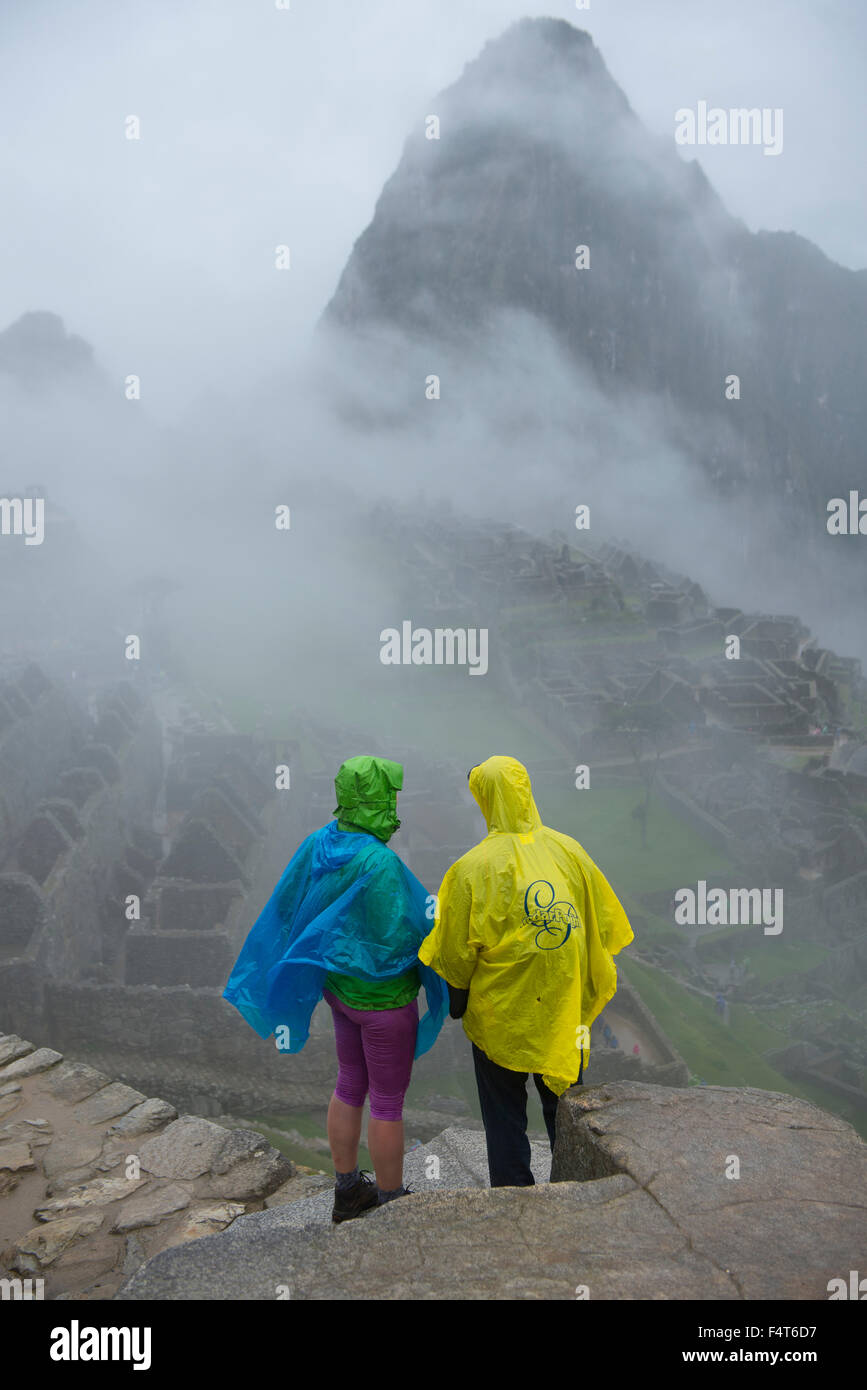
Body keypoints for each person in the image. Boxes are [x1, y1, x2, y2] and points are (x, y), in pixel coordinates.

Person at [223, 755, 448, 1223]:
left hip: (339, 993)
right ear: (377, 800)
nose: (395, 803)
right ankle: (390, 1201)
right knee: (387, 1102)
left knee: (349, 1083)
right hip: (385, 1003)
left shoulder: (318, 844)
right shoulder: (381, 862)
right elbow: (395, 937)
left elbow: (291, 907)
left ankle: (348, 1190)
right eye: (390, 795)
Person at [419, 755, 633, 1188]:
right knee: (566, 1106)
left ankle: (513, 1194)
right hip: (562, 1010)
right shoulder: (568, 850)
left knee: (503, 1112)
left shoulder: (471, 869)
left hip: (502, 1017)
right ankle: (576, 1185)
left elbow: (455, 954)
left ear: (485, 799)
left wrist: (457, 1002)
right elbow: (603, 921)